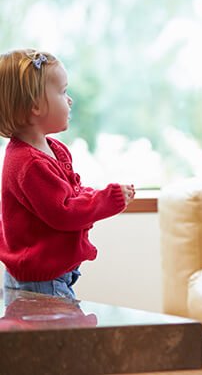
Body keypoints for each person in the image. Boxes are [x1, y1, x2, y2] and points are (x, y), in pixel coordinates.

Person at [0, 49, 136, 300]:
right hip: (39, 282)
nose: (70, 100)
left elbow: (70, 192)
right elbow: (63, 212)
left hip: (52, 276)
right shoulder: (28, 163)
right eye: (63, 92)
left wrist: (98, 194)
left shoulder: (53, 149)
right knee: (56, 338)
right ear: (35, 106)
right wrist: (108, 200)